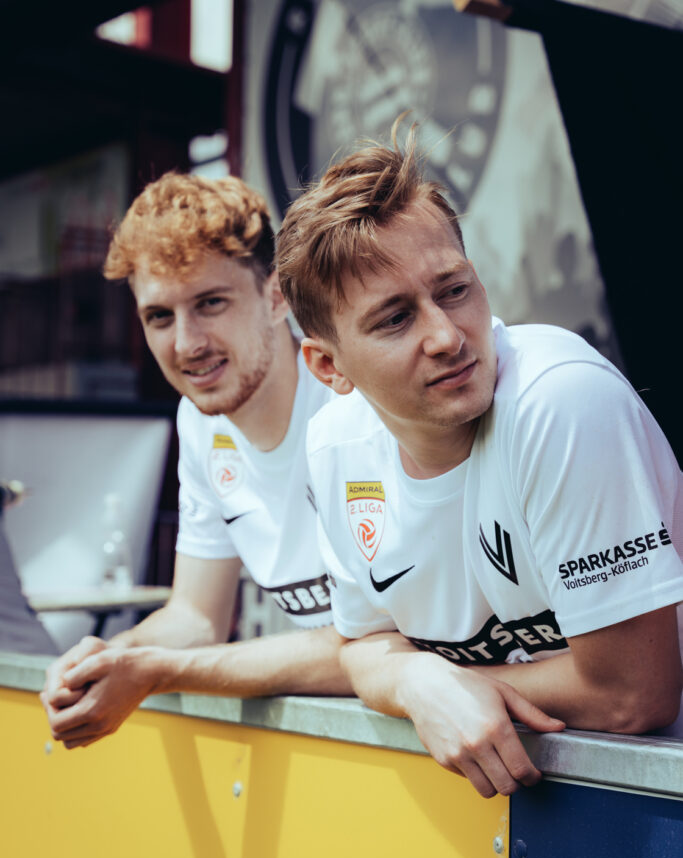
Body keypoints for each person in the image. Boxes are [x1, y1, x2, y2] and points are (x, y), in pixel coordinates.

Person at [276, 125, 683, 798]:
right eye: (395, 319)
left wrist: (446, 683)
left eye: (454, 290)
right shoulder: (334, 448)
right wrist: (414, 680)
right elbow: (364, 646)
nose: (445, 336)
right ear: (327, 366)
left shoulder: (558, 399)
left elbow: (633, 695)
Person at [42, 172, 351, 749]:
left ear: (276, 296)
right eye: (160, 316)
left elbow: (376, 646)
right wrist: (107, 658)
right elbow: (197, 616)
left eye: (210, 303)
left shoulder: (350, 400)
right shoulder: (200, 421)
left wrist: (158, 671)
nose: (187, 344)